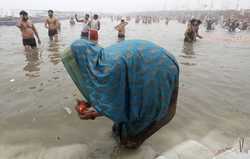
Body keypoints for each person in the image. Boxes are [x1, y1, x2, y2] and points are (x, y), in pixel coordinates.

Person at [61, 39, 179, 149]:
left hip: (156, 74)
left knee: (130, 138)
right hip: (163, 63)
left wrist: (94, 113)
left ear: (81, 61)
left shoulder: (110, 68)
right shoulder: (102, 61)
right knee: (119, 130)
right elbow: (119, 95)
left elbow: (119, 103)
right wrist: (92, 104)